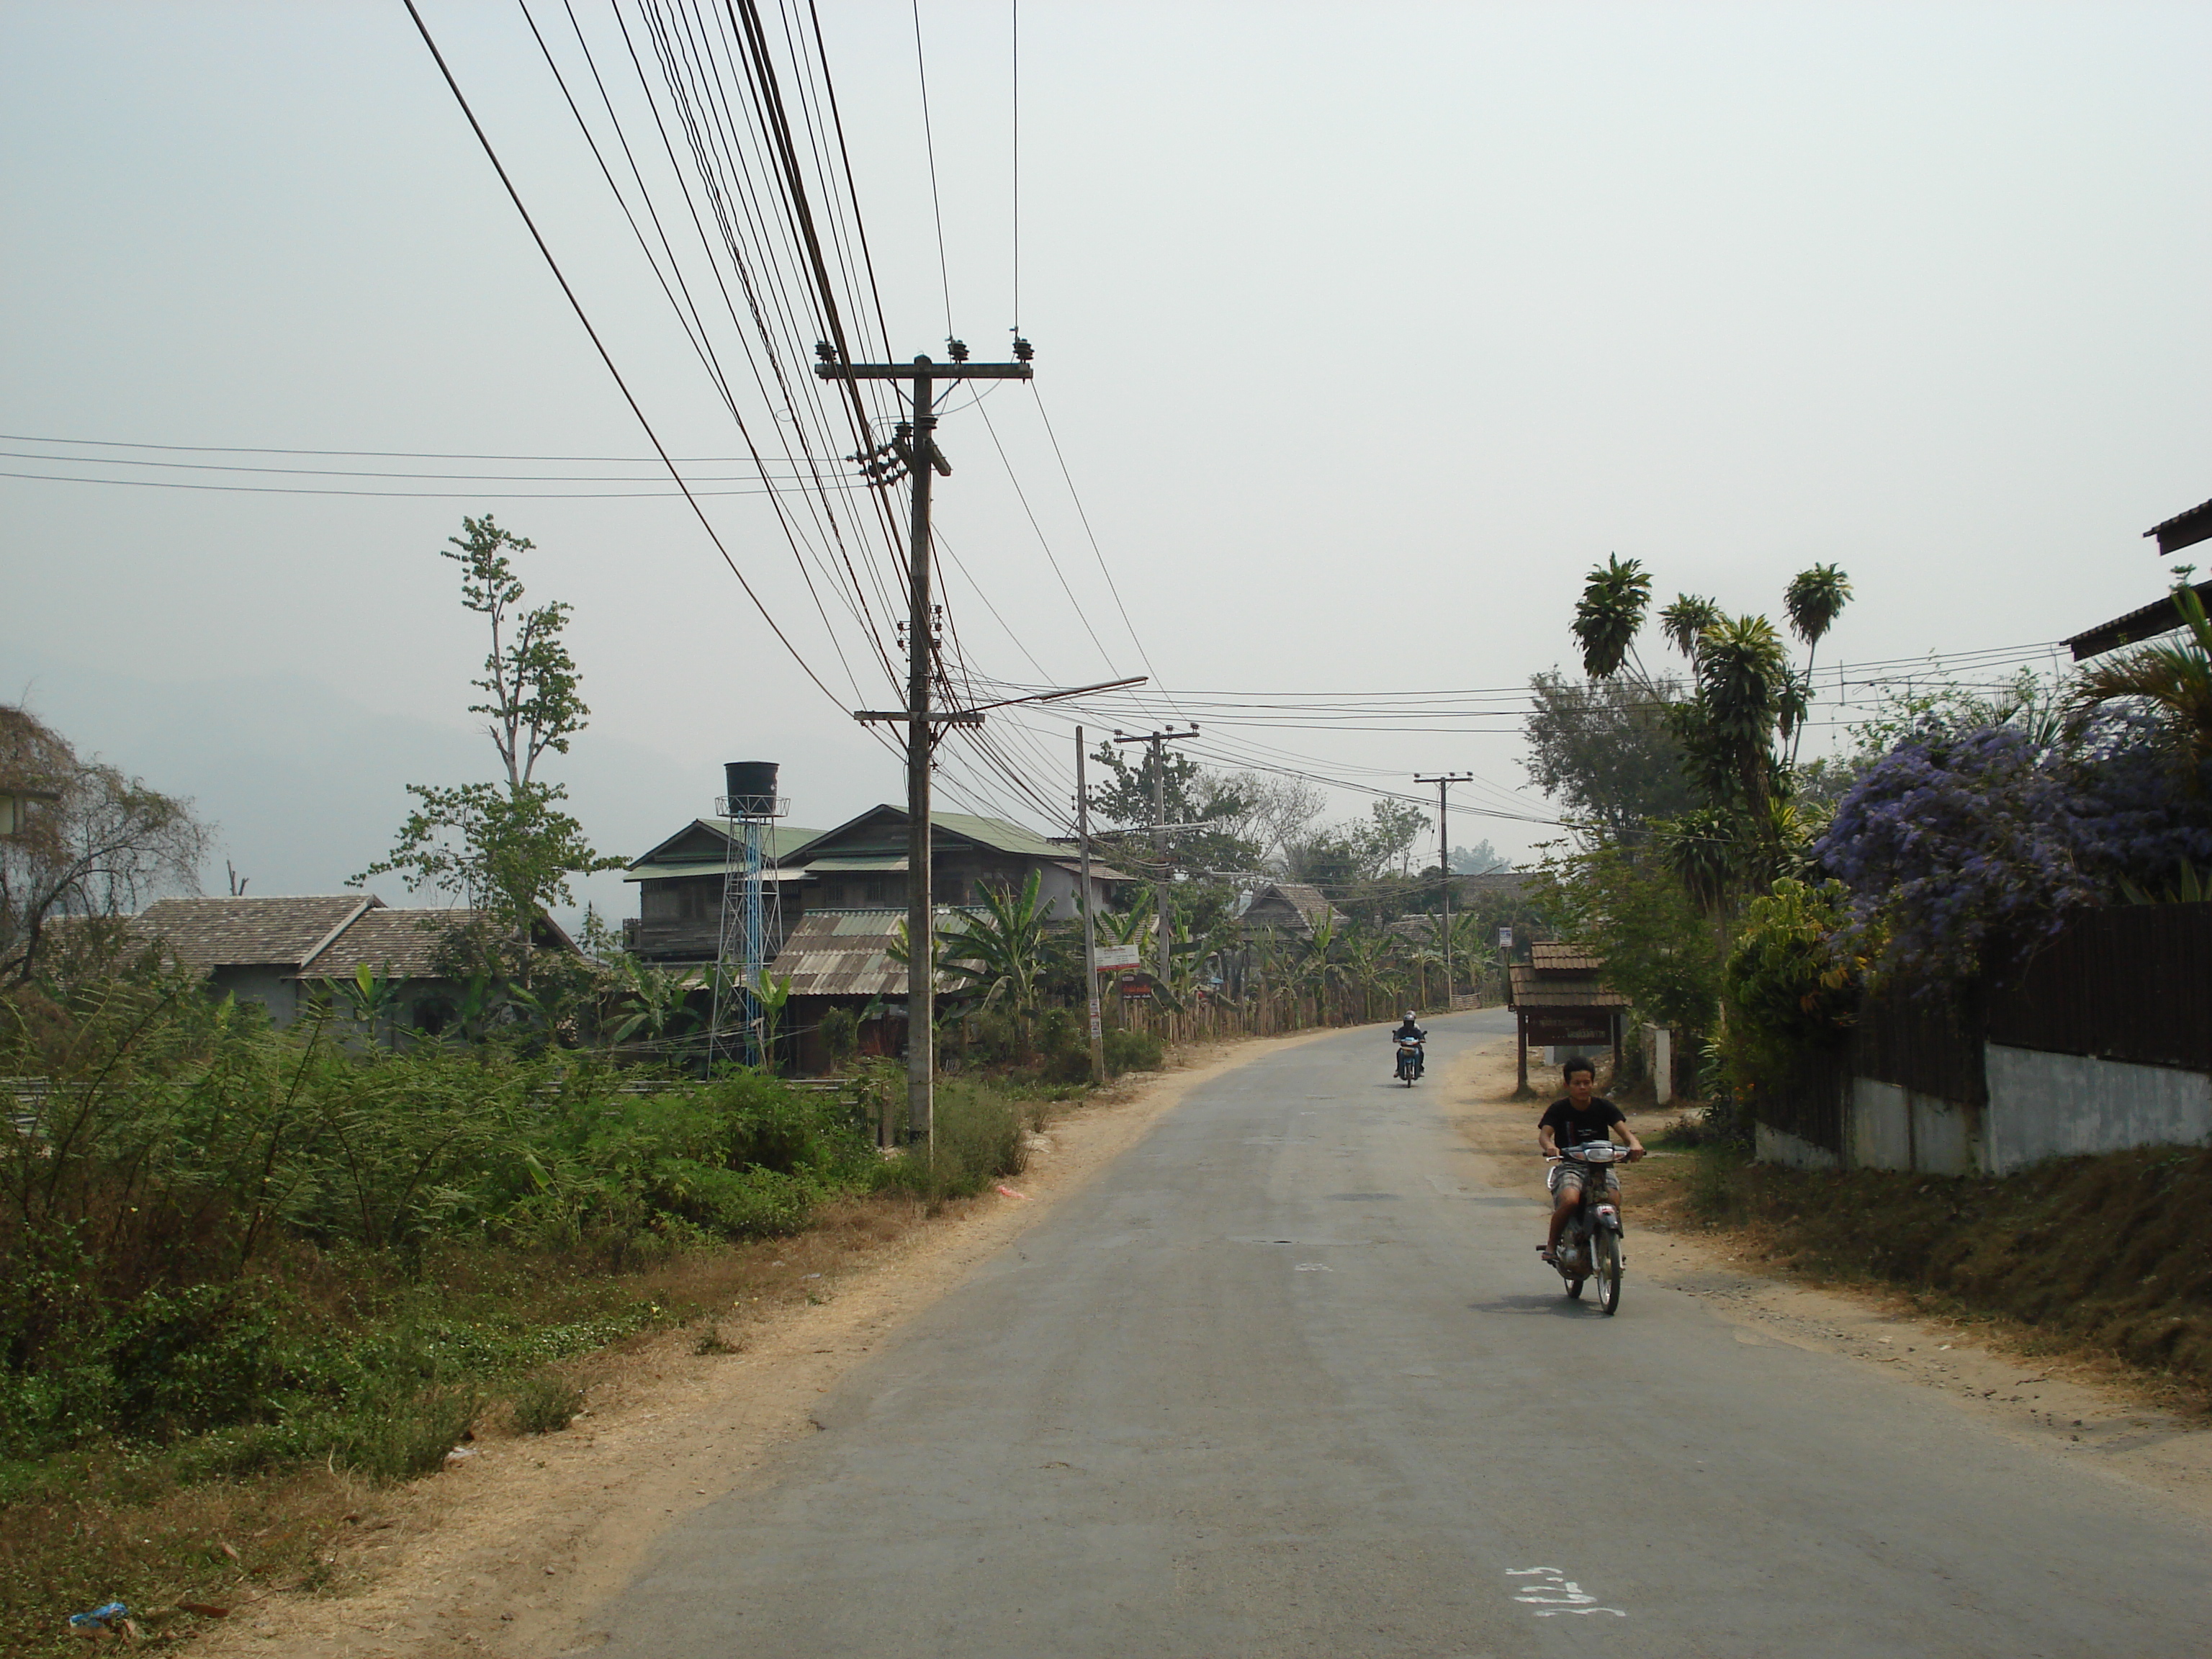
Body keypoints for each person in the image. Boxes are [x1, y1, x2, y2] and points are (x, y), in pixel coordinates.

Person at [1537, 1055, 1643, 1264]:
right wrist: (1550, 1147)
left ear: (1593, 1083)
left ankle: (1611, 1243)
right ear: (1567, 1085)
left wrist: (1634, 1144)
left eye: (1587, 1083)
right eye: (1577, 1083)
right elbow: (1544, 1135)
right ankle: (1551, 1244)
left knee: (1613, 1200)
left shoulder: (1604, 1107)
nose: (1583, 1087)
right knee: (1569, 1201)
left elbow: (1624, 1132)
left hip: (1602, 1167)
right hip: (1571, 1167)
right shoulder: (1559, 1109)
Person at [1391, 1010, 1426, 1076]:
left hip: (1415, 1046)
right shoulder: (1402, 1029)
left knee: (1421, 1053)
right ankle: (1399, 1070)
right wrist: (1396, 1038)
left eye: (1410, 1023)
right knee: (1399, 1053)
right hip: (1404, 1046)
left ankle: (1419, 1069)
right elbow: (1397, 1034)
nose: (1408, 1024)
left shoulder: (1416, 1030)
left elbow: (1420, 1035)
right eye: (1407, 1022)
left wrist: (1422, 1039)